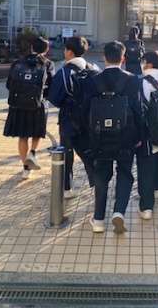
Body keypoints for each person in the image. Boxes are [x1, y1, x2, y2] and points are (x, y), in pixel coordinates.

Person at [79, 41, 144, 234]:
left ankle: (99, 219)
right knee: (124, 173)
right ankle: (119, 212)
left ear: (104, 57)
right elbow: (138, 110)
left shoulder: (92, 80)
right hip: (126, 135)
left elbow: (84, 111)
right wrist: (140, 135)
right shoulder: (133, 80)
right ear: (123, 58)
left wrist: (86, 136)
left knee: (101, 174)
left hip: (99, 136)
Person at [48, 36, 99, 198]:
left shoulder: (64, 72)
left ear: (69, 52)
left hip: (68, 120)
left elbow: (55, 98)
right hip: (90, 120)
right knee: (89, 152)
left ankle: (67, 188)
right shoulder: (93, 69)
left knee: (67, 154)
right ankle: (98, 184)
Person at [4, 36, 55, 179]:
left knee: (23, 136)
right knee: (37, 132)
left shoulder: (18, 63)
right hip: (38, 104)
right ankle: (32, 152)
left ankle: (25, 169)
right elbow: (51, 85)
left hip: (18, 104)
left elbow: (9, 84)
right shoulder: (47, 64)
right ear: (46, 49)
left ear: (31, 47)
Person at [136, 51, 158, 219]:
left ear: (148, 64)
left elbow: (139, 107)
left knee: (145, 167)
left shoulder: (143, 82)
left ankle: (146, 207)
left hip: (147, 132)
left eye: (143, 61)